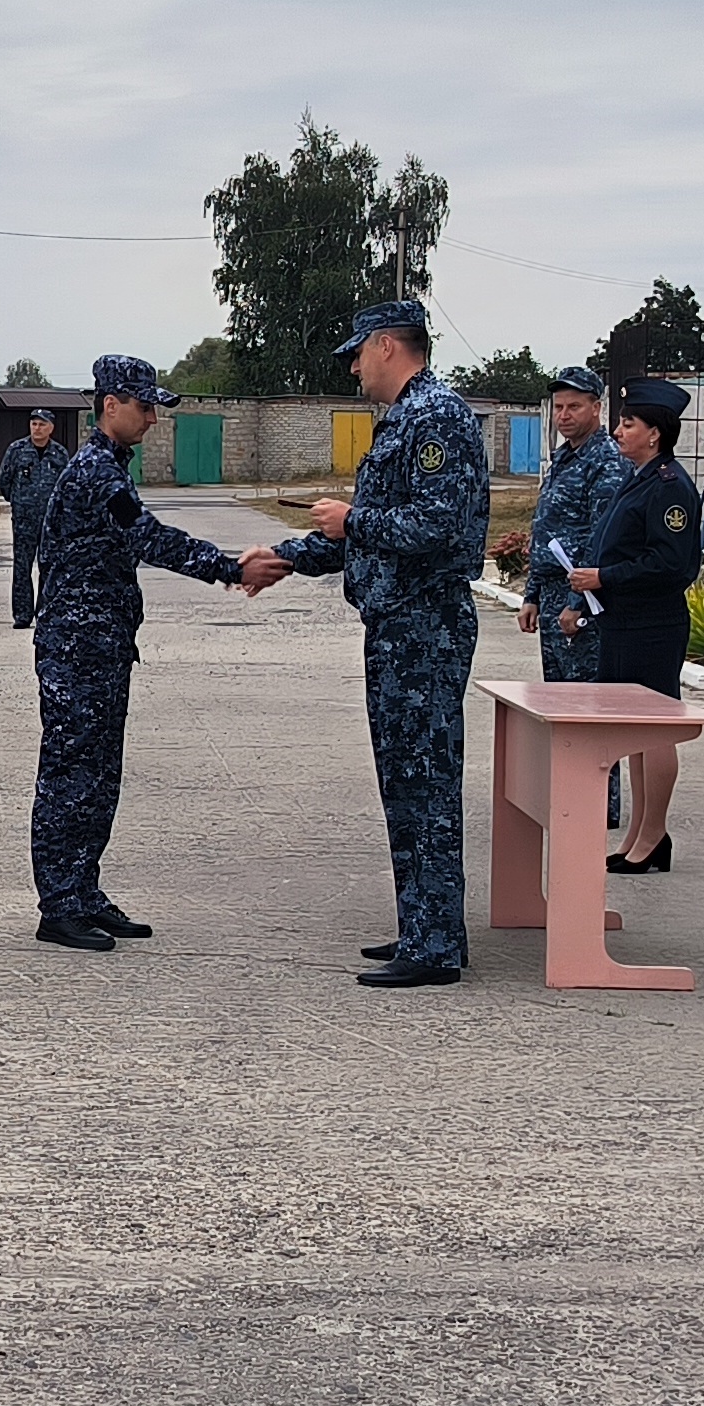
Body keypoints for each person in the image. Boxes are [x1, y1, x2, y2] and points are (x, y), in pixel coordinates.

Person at [250, 300, 490, 989]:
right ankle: (424, 925)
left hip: (426, 629)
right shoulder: (407, 420)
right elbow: (369, 538)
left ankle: (436, 946)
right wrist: (289, 556)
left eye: (357, 353)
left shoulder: (436, 416)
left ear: (388, 346)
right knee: (405, 785)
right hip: (398, 627)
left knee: (426, 784)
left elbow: (436, 528)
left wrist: (352, 518)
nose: (354, 368)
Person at [29, 357, 270, 951]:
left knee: (100, 775)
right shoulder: (95, 473)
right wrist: (230, 568)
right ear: (110, 404)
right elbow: (150, 537)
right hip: (77, 648)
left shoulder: (111, 466)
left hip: (101, 646)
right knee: (71, 774)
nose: (154, 418)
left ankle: (82, 890)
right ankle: (58, 905)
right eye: (144, 405)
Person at [563, 377, 704, 874]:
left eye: (629, 423)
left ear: (655, 434)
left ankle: (653, 836)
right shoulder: (640, 476)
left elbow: (670, 565)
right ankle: (639, 835)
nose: (619, 431)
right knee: (634, 733)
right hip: (623, 622)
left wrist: (605, 576)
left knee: (655, 729)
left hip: (653, 625)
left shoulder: (670, 487)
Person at [520, 366, 631, 826]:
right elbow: (545, 531)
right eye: (559, 407)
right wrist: (530, 594)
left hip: (582, 602)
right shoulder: (565, 458)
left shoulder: (606, 462)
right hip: (550, 595)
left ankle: (598, 806)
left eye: (575, 407)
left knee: (590, 703)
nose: (564, 415)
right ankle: (571, 794)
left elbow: (599, 538)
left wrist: (577, 603)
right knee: (562, 702)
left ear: (597, 409)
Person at [0, 407, 70, 628]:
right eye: (34, 424)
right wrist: (19, 502)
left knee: (49, 567)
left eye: (42, 424)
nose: (37, 428)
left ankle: (46, 613)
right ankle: (22, 614)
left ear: (51, 428)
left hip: (50, 521)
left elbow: (67, 486)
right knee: (22, 567)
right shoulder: (17, 450)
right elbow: (4, 481)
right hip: (24, 519)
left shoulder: (60, 454)